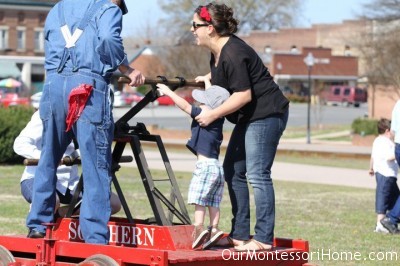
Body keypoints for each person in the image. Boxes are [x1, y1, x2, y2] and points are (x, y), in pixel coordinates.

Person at [26, 0, 145, 244]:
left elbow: (48, 46)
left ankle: (38, 224)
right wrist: (127, 69)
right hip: (88, 90)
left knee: (48, 157)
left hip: (54, 86)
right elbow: (109, 41)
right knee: (95, 164)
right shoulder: (109, 9)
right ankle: (95, 237)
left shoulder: (57, 9)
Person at [191, 3, 289, 251]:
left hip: (267, 113)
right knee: (232, 171)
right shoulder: (217, 53)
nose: (191, 29)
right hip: (250, 116)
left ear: (210, 28)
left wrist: (212, 114)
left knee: (257, 174)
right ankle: (240, 235)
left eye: (195, 25)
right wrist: (209, 79)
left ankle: (264, 239)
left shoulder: (233, 51)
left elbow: (243, 94)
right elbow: (228, 80)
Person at [157, 79, 230, 250]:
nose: (199, 104)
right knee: (213, 201)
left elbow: (184, 106)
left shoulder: (203, 115)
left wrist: (168, 92)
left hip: (204, 167)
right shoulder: (218, 117)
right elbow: (214, 98)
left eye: (202, 102)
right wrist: (206, 82)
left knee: (199, 199)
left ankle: (198, 228)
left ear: (209, 107)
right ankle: (215, 229)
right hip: (217, 168)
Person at [14, 111, 121, 218]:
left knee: (112, 203)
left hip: (69, 184)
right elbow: (20, 144)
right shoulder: (44, 114)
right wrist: (47, 158)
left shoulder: (83, 116)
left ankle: (58, 214)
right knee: (50, 201)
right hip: (35, 178)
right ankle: (38, 223)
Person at [368, 118, 399, 233]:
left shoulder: (377, 141)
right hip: (386, 174)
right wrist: (397, 154)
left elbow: (373, 156)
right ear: (387, 131)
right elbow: (389, 157)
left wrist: (371, 168)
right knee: (383, 197)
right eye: (393, 131)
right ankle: (380, 224)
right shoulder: (386, 143)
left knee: (395, 198)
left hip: (387, 175)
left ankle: (391, 222)